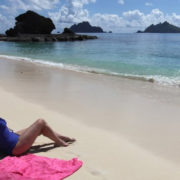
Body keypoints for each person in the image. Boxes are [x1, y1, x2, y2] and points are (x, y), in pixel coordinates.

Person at [0, 117, 75, 156]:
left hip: (11, 138)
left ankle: (61, 137)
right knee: (41, 122)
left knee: (38, 127)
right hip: (15, 147)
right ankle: (59, 141)